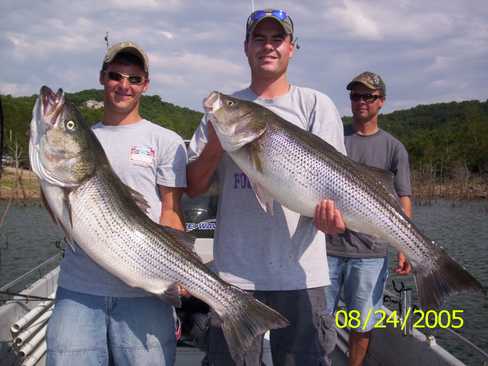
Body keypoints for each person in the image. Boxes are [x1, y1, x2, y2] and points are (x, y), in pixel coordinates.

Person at [186, 9, 346, 366]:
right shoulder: (221, 115)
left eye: (277, 39)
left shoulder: (316, 105)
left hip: (302, 274)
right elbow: (194, 187)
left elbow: (336, 185)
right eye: (259, 39)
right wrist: (216, 139)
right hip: (234, 276)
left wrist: (335, 222)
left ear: (292, 47)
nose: (268, 46)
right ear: (246, 48)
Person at [46, 41, 188, 366]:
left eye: (134, 78)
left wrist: (179, 268)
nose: (124, 85)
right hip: (79, 288)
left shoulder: (165, 141)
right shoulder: (83, 139)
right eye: (116, 76)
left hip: (145, 290)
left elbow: (170, 209)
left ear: (145, 85)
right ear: (102, 77)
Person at [324, 71, 413, 366]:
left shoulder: (394, 148)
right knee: (319, 320)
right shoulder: (335, 138)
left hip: (370, 253)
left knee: (361, 323)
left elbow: (403, 198)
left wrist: (404, 246)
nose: (360, 101)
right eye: (355, 95)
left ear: (381, 102)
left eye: (368, 96)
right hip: (326, 249)